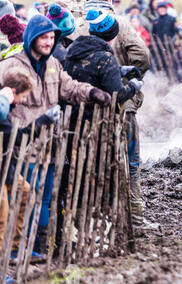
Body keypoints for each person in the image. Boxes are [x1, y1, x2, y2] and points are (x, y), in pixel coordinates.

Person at [0, 14, 111, 255]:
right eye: (44, 37)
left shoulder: (53, 66)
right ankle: (17, 249)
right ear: (31, 38)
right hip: (22, 146)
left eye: (52, 37)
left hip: (49, 146)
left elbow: (69, 88)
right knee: (22, 199)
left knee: (44, 198)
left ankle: (38, 245)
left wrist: (92, 92)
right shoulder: (11, 66)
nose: (49, 42)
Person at [80, 0, 151, 232]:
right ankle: (135, 217)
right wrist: (130, 79)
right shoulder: (120, 23)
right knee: (130, 161)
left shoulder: (80, 25)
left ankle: (97, 218)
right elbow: (142, 55)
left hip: (89, 107)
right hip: (123, 103)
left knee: (95, 161)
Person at [1, 67, 60, 281]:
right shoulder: (2, 105)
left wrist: (42, 120)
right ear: (14, 92)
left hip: (5, 169)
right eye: (22, 96)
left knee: (26, 192)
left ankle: (15, 248)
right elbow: (15, 136)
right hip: (1, 169)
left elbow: (15, 134)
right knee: (2, 215)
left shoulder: (5, 109)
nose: (21, 102)